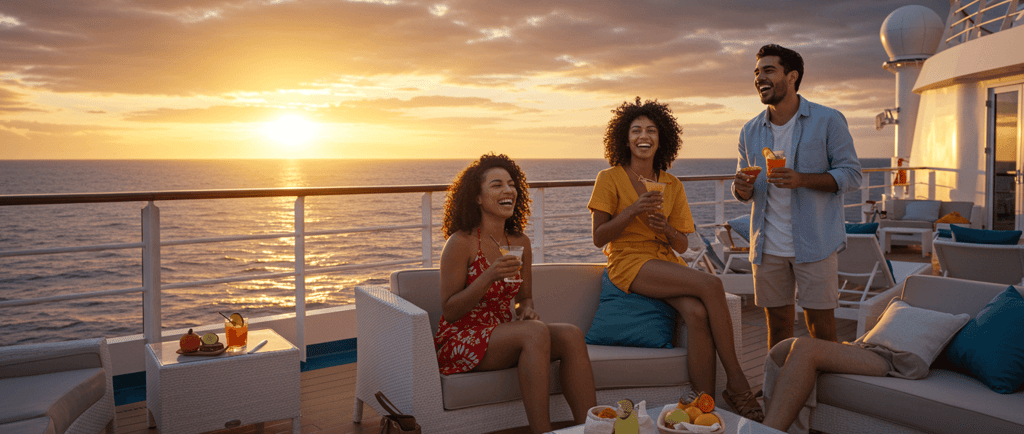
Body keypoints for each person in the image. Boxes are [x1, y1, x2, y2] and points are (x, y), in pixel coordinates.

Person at [588, 97, 764, 422]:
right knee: (711, 283)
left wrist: (666, 228)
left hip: (665, 262)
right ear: (624, 138)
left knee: (697, 313)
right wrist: (632, 211)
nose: (644, 135)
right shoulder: (609, 178)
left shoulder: (672, 184)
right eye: (636, 129)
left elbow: (682, 245)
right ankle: (738, 383)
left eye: (651, 130)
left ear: (661, 138)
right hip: (628, 262)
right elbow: (600, 237)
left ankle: (702, 405)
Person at [434, 153, 596, 434]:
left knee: (570, 335)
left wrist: (526, 311)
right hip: (461, 338)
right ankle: (542, 431)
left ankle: (592, 427)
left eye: (511, 184)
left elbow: (524, 299)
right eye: (496, 185)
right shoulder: (461, 243)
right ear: (478, 198)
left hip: (503, 332)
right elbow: (450, 310)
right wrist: (489, 276)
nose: (508, 190)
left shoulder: (520, 242)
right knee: (534, 333)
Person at [732, 44, 862, 350]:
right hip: (768, 247)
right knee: (777, 328)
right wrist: (742, 189)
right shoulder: (749, 131)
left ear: (792, 76)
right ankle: (778, 392)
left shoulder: (828, 120)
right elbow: (743, 189)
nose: (759, 78)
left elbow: (852, 174)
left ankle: (822, 396)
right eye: (757, 72)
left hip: (815, 243)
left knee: (821, 330)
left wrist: (801, 179)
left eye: (768, 70)